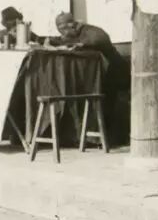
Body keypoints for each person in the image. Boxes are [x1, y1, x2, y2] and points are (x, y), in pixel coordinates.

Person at [50, 12, 130, 144]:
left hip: (115, 73)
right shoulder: (74, 34)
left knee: (109, 105)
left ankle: (112, 139)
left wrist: (81, 44)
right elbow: (64, 40)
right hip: (100, 74)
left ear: (72, 24)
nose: (62, 33)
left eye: (63, 29)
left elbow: (100, 39)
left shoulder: (90, 30)